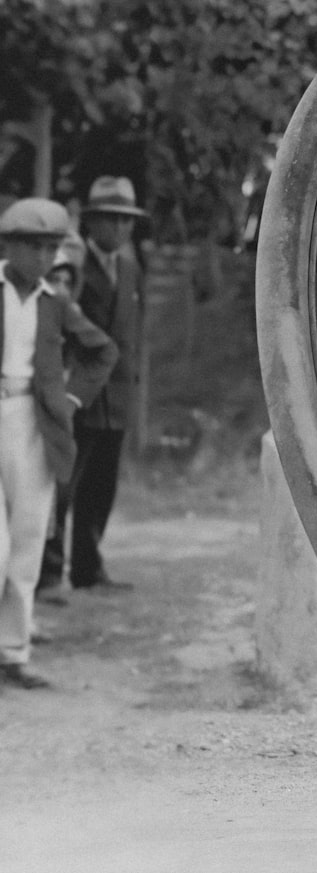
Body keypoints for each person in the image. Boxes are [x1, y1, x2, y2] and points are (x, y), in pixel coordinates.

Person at [0, 199, 117, 688]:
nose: (44, 258)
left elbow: (102, 350)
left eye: (51, 248)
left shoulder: (55, 301)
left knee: (27, 538)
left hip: (36, 424)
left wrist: (69, 399)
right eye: (34, 247)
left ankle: (12, 652)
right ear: (9, 246)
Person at [40, 176, 145, 593]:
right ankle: (48, 574)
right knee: (61, 488)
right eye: (111, 219)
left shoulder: (131, 265)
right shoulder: (72, 266)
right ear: (91, 221)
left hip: (117, 397)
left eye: (127, 220)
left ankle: (88, 570)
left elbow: (134, 332)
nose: (120, 229)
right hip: (77, 395)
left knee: (101, 490)